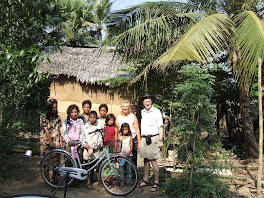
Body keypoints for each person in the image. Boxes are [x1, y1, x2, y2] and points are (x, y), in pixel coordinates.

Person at [139, 94, 164, 192]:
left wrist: (160, 140)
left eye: (148, 101)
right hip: (144, 138)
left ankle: (156, 182)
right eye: (145, 101)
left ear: (151, 102)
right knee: (145, 160)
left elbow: (160, 126)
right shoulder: (142, 112)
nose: (147, 103)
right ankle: (146, 179)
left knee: (153, 160)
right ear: (143, 103)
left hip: (153, 138)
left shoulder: (156, 111)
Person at [116, 101, 141, 166]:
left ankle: (133, 175)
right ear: (121, 108)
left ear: (129, 108)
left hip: (132, 139)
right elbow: (117, 129)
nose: (125, 108)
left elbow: (137, 129)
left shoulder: (133, 116)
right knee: (122, 158)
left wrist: (139, 141)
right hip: (122, 140)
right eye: (123, 106)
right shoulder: (118, 117)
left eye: (126, 106)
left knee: (133, 159)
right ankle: (123, 174)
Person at [82, 111, 103, 187]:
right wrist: (86, 146)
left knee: (98, 167)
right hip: (87, 150)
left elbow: (100, 139)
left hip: (96, 150)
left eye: (94, 117)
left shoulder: (99, 126)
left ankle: (99, 181)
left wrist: (95, 146)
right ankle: (88, 181)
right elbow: (83, 137)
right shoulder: (85, 126)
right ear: (89, 118)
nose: (93, 119)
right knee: (88, 167)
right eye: (91, 117)